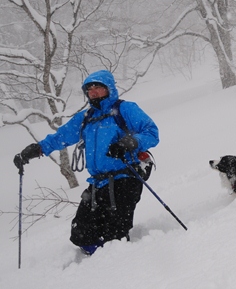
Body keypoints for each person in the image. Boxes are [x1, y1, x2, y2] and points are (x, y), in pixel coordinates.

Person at [13, 70, 159, 255]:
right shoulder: (86, 118)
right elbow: (61, 137)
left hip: (125, 177)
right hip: (98, 182)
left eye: (98, 87)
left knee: (115, 233)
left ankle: (119, 264)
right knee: (81, 232)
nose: (93, 91)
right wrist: (36, 150)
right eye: (89, 89)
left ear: (109, 89)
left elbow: (151, 133)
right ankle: (97, 260)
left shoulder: (125, 110)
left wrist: (129, 142)